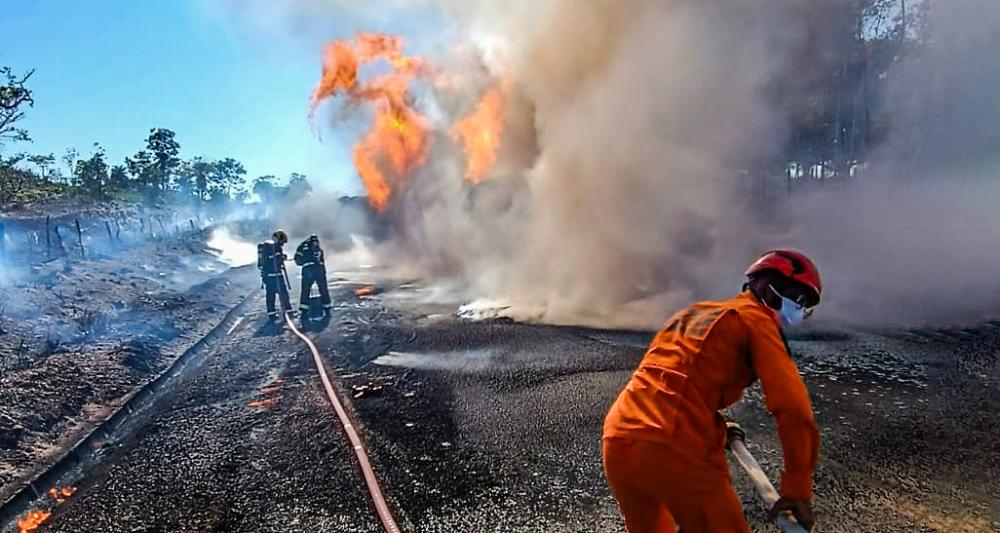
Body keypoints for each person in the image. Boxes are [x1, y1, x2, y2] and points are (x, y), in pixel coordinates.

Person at [602, 249, 822, 532]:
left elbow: (671, 382)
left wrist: (715, 425)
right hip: (675, 446)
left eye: (806, 308)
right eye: (799, 299)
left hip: (619, 440)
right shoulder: (756, 322)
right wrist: (797, 491)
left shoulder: (693, 313)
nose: (799, 311)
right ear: (768, 287)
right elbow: (793, 409)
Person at [294, 234, 332, 318]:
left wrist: (304, 262)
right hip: (320, 270)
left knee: (306, 289)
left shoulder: (303, 247)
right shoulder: (319, 250)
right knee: (323, 288)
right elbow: (322, 261)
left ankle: (304, 309)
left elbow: (297, 260)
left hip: (308, 271)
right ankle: (327, 306)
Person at [257, 229, 293, 321]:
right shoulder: (275, 247)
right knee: (283, 294)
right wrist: (282, 257)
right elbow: (277, 260)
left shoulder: (266, 247)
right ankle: (288, 312)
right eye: (282, 243)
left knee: (270, 295)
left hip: (267, 276)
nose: (282, 245)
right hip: (276, 275)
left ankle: (272, 314)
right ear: (279, 239)